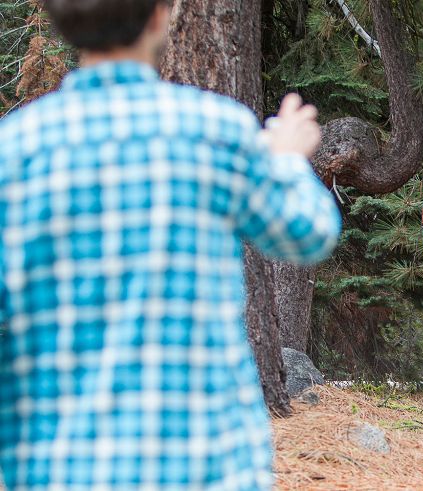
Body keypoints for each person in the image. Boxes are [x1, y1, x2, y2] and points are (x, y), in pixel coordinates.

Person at [0, 0, 341, 489]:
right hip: (207, 467)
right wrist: (286, 158)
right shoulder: (215, 130)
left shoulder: (14, 150)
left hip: (60, 469)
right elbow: (309, 233)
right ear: (162, 15)